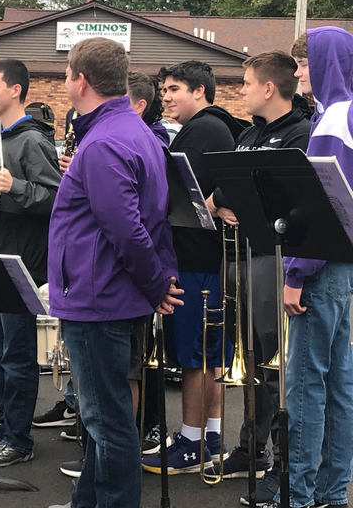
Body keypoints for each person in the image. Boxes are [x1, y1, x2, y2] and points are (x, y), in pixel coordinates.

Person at [47, 38, 181, 508]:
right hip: (111, 292)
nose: (66, 81)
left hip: (99, 296)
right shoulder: (133, 130)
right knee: (102, 418)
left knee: (108, 422)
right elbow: (151, 219)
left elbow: (126, 228)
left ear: (80, 80)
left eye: (67, 73)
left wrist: (156, 282)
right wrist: (157, 280)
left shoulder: (104, 141)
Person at [196, 52, 310, 500]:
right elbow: (225, 186)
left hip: (273, 258)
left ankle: (284, 464)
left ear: (268, 87)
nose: (240, 90)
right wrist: (226, 199)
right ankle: (251, 447)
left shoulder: (300, 132)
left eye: (245, 83)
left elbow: (273, 190)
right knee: (249, 359)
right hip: (240, 255)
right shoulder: (249, 134)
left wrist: (234, 198)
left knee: (276, 365)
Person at [141, 60, 247, 476]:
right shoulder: (210, 127)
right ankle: (211, 435)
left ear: (199, 91)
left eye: (174, 89)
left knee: (195, 356)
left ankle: (191, 441)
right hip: (206, 259)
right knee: (208, 355)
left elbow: (188, 196)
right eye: (163, 90)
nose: (165, 97)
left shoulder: (204, 129)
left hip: (197, 260)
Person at [265, 27, 353, 508]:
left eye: (304, 63)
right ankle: (332, 492)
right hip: (342, 268)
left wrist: (296, 273)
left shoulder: (334, 120)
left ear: (326, 63)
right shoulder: (346, 113)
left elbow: (322, 206)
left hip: (319, 267)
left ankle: (296, 495)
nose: (299, 73)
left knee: (304, 386)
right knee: (339, 386)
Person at [0, 59, 60, 467]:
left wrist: (14, 185)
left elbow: (56, 197)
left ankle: (19, 438)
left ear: (15, 90)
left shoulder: (32, 141)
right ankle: (4, 429)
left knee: (17, 358)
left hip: (20, 262)